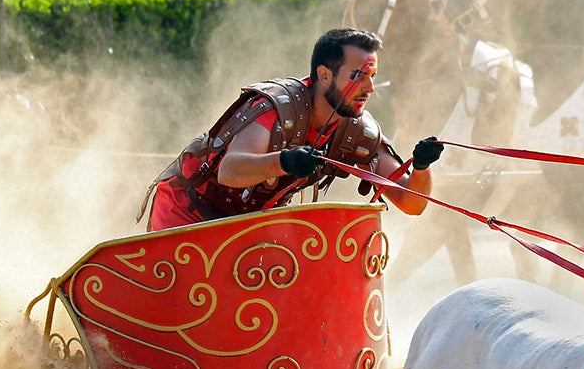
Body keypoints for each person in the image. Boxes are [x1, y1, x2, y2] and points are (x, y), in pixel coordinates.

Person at [145, 27, 441, 231]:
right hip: (185, 214)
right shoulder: (277, 108)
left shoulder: (356, 131)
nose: (370, 88)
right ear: (324, 75)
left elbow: (411, 203)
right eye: (358, 76)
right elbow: (230, 171)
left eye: (372, 76)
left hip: (244, 227)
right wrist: (284, 161)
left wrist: (422, 167)